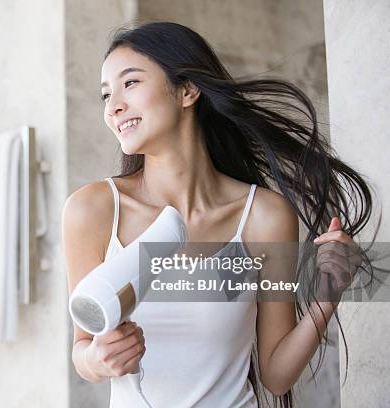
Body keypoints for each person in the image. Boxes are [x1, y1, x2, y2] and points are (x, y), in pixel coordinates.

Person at [62, 22, 376, 408]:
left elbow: (276, 376)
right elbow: (82, 349)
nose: (113, 108)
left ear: (188, 89)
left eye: (130, 84)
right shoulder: (92, 211)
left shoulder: (264, 216)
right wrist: (97, 360)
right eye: (106, 95)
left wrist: (327, 297)